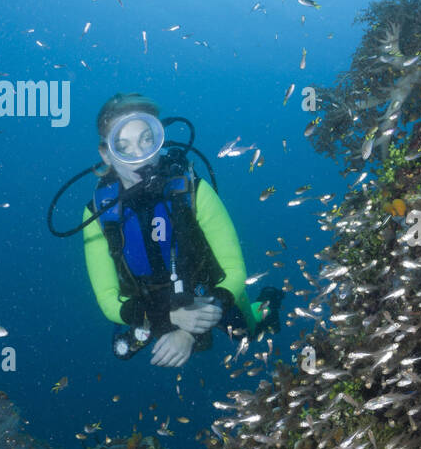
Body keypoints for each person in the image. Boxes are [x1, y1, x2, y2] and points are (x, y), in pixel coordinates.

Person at [79, 94, 279, 367]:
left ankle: (268, 302)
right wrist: (169, 317)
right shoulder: (97, 213)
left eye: (146, 140)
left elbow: (234, 272)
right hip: (148, 303)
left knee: (250, 332)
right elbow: (107, 299)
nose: (139, 157)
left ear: (159, 139)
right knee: (122, 350)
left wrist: (188, 329)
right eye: (123, 146)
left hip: (206, 291)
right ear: (106, 154)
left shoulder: (194, 191)